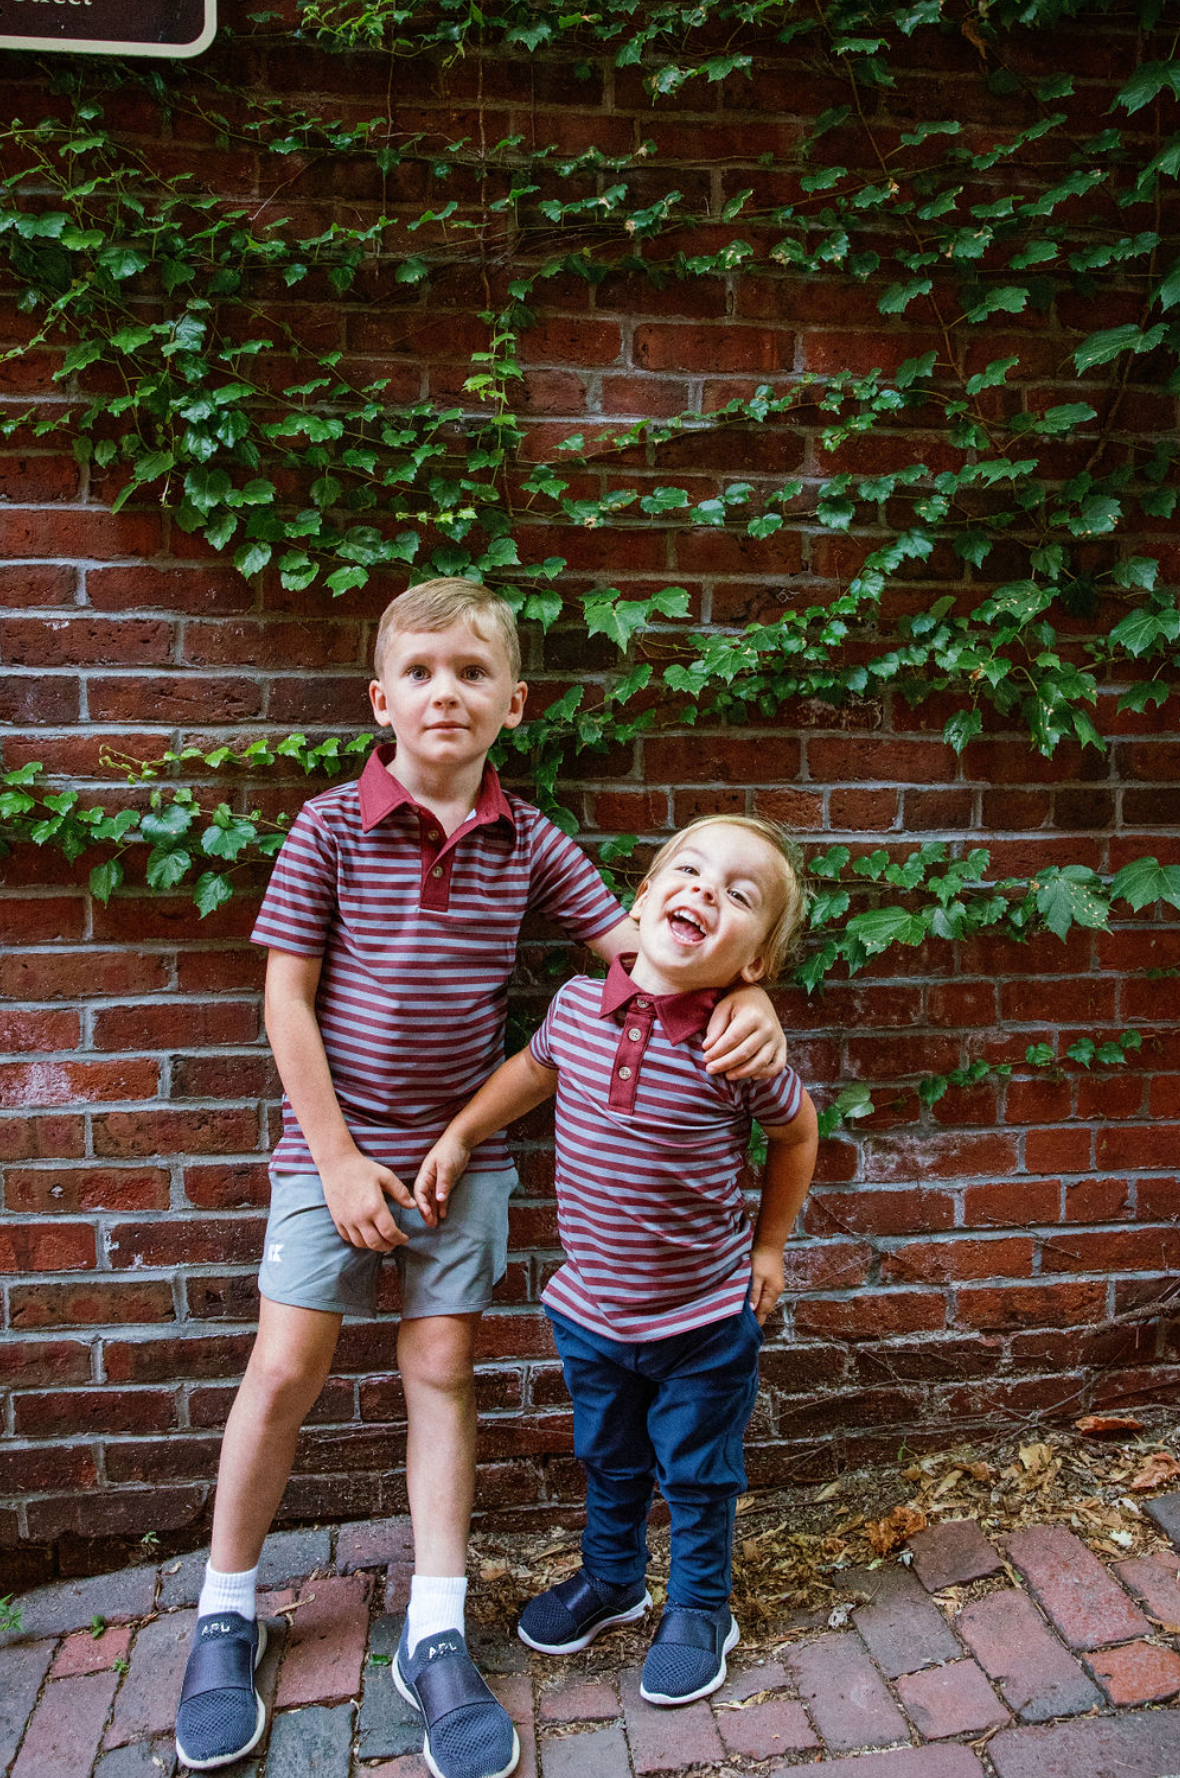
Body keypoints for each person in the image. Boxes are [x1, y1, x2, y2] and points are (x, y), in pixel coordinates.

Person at [174, 581, 789, 1777]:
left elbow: (650, 952)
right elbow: (282, 999)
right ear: (380, 699)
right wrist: (343, 1154)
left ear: (513, 702)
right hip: (330, 1147)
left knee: (440, 1366)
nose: (442, 690)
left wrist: (752, 990)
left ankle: (437, 1627)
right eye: (418, 671)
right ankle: (224, 1608)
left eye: (468, 671)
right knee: (288, 1363)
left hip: (465, 1159)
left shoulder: (531, 840)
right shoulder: (330, 827)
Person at [414, 814, 819, 1711]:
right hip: (593, 1310)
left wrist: (771, 1246)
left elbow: (798, 1134)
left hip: (704, 1319)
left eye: (740, 894)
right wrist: (460, 1132)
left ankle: (701, 1607)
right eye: (689, 870)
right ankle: (614, 1580)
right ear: (641, 901)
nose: (707, 890)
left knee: (698, 1469)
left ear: (754, 963)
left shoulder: (736, 1049)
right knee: (610, 1455)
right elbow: (530, 1070)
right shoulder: (572, 1009)